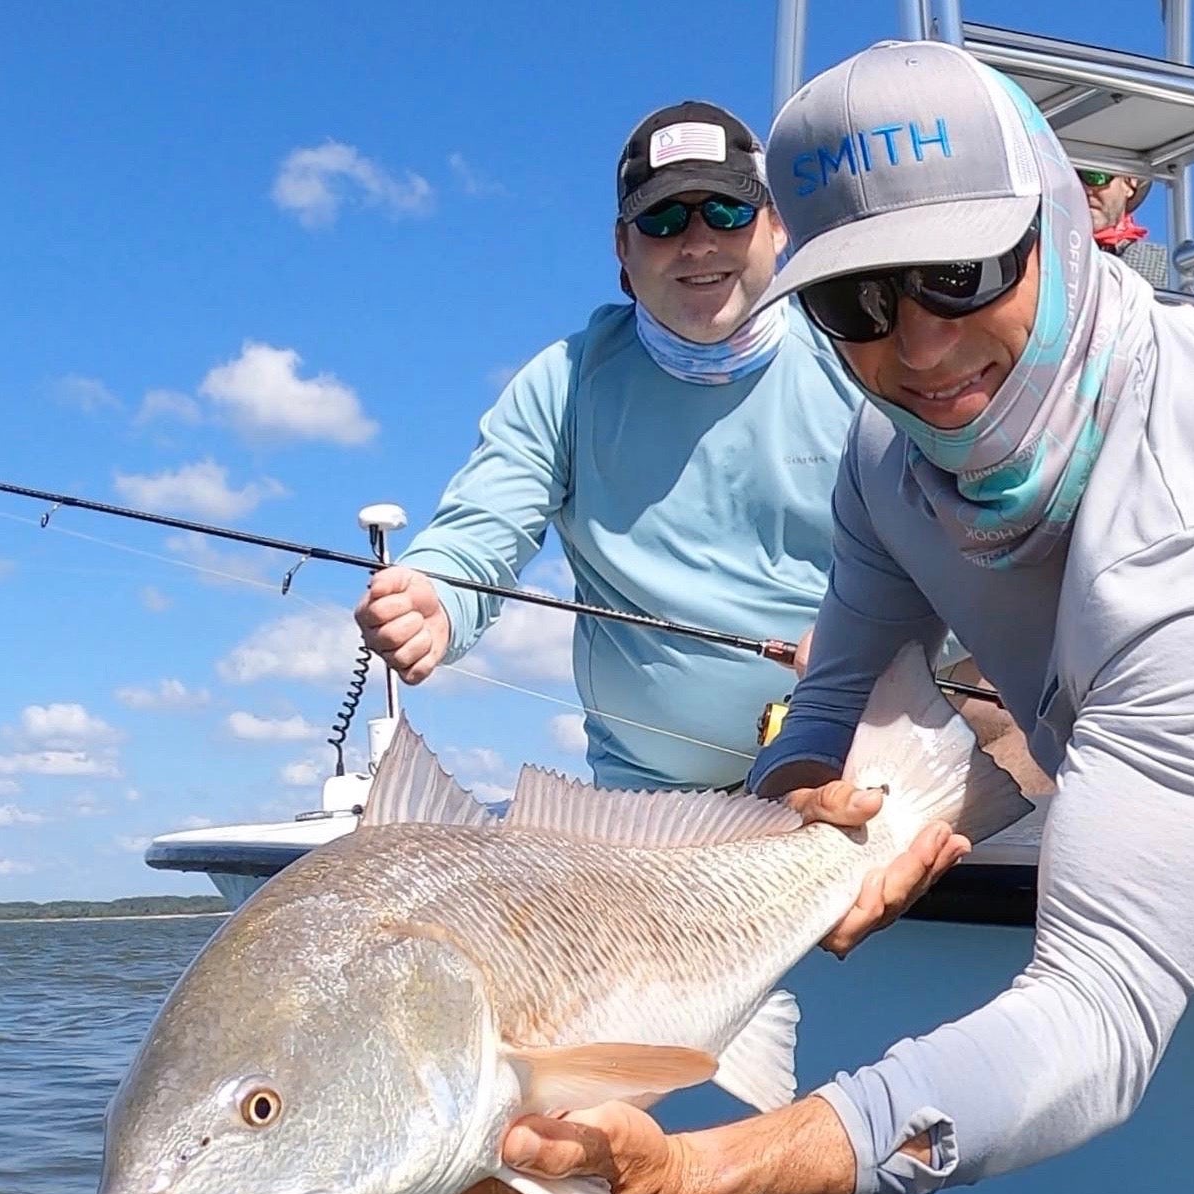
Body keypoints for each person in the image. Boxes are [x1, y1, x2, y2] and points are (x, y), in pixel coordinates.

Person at [441, 41, 1194, 1194]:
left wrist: (700, 1177)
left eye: (959, 272)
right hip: (1128, 742)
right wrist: (805, 805)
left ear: (1062, 226)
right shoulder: (884, 454)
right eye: (855, 300)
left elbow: (1102, 1015)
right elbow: (830, 702)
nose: (917, 347)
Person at [354, 101, 864, 792]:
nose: (696, 242)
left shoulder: (861, 355)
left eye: (726, 211)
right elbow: (480, 535)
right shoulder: (563, 383)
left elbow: (951, 551)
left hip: (866, 761)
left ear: (777, 228)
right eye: (661, 219)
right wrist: (437, 599)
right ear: (622, 249)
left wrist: (870, 649)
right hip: (651, 807)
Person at [1076, 166, 1194, 298]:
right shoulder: (1053, 260)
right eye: (1072, 178)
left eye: (1094, 176)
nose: (1084, 189)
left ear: (1129, 184)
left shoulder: (1177, 268)